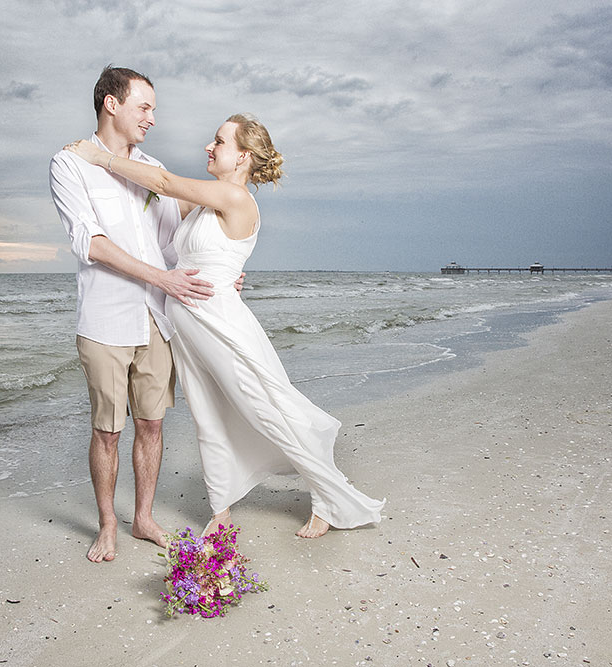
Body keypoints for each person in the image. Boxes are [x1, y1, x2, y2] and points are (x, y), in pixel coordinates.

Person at [64, 114, 384, 538]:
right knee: (207, 412)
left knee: (266, 408)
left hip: (219, 324)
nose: (208, 148)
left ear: (243, 157)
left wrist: (98, 157)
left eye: (219, 142)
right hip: (188, 325)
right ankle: (220, 507)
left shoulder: (234, 198)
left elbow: (163, 182)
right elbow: (164, 232)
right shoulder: (208, 202)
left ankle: (329, 497)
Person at [49, 66, 217, 563]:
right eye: (145, 107)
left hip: (157, 318)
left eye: (153, 109)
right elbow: (91, 245)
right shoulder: (70, 164)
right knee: (108, 429)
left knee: (152, 424)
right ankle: (106, 525)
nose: (152, 117)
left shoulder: (152, 166)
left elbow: (172, 243)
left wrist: (216, 272)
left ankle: (142, 517)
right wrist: (159, 278)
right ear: (111, 104)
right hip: (105, 319)